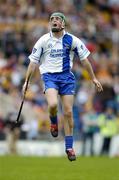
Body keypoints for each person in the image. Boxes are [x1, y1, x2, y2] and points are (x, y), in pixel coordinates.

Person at [22, 12, 103, 161]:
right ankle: (53, 122)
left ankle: (69, 147)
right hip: (49, 77)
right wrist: (27, 81)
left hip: (66, 78)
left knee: (68, 112)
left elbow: (85, 61)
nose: (54, 21)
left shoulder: (72, 40)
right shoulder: (43, 40)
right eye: (52, 19)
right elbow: (33, 63)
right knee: (52, 105)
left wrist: (93, 78)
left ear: (63, 24)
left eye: (57, 19)